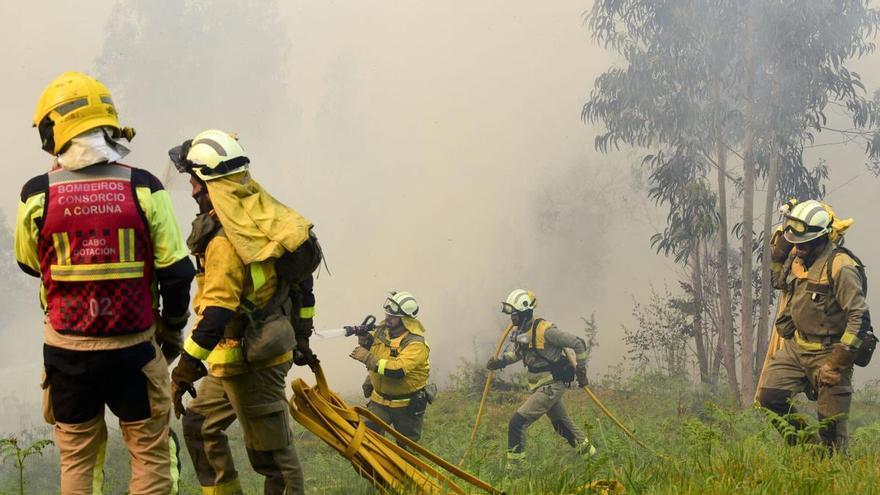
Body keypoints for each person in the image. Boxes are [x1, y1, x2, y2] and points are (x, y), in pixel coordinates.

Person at [15, 71, 195, 494]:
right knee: (150, 454)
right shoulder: (144, 186)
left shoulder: (37, 193)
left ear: (53, 132)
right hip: (134, 348)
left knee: (76, 459)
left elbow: (28, 263)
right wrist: (171, 328)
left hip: (65, 351)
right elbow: (177, 270)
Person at [168, 129, 317, 494]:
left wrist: (184, 368)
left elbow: (216, 313)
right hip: (232, 359)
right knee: (200, 427)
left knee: (273, 460)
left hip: (256, 362)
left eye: (195, 183)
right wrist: (303, 336)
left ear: (211, 183)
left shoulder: (225, 240)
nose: (192, 192)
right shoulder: (264, 217)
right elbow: (303, 285)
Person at [757, 199, 872, 452]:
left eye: (803, 245)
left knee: (831, 433)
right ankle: (809, 449)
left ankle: (832, 464)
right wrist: (779, 254)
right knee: (769, 398)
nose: (796, 250)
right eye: (794, 244)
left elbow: (859, 319)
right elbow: (779, 281)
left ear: (820, 239)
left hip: (830, 353)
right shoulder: (798, 258)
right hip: (796, 349)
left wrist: (836, 364)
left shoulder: (841, 267)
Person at [486, 289, 596, 469]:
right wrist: (500, 362)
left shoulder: (545, 330)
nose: (511, 318)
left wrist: (581, 372)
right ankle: (594, 459)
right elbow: (520, 353)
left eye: (513, 313)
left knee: (517, 422)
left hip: (551, 386)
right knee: (562, 426)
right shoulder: (523, 330)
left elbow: (579, 343)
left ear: (524, 312)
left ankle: (515, 471)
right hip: (541, 386)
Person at [348, 291, 432, 445]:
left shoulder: (416, 344)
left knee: (407, 450)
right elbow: (380, 353)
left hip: (405, 405)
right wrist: (365, 341)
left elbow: (397, 370)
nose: (387, 318)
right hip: (379, 401)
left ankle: (406, 469)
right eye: (387, 314)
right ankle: (372, 470)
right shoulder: (381, 331)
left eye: (393, 317)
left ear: (405, 319)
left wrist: (367, 357)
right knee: (367, 441)